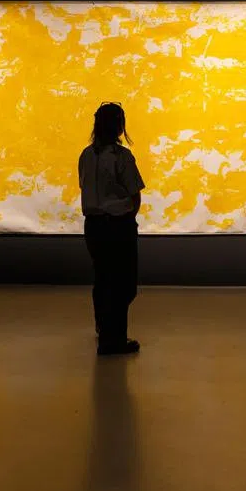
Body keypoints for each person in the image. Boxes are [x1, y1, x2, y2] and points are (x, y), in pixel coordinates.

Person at [78, 102, 145, 355]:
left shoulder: (86, 155)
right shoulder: (121, 157)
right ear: (119, 127)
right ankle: (113, 340)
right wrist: (127, 219)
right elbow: (134, 193)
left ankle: (103, 328)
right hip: (118, 226)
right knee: (123, 284)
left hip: (93, 226)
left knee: (103, 278)